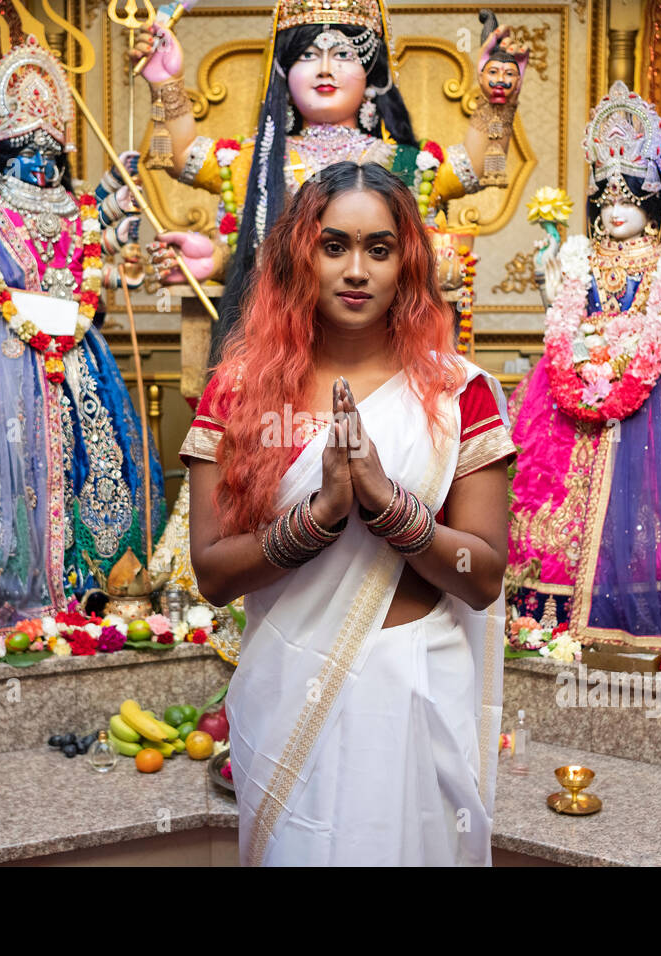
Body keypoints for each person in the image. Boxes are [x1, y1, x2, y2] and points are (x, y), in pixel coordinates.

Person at [182, 161, 515, 866]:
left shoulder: (463, 395)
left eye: (379, 248)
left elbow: (482, 576)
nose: (356, 269)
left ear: (408, 263)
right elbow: (212, 573)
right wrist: (323, 514)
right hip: (291, 679)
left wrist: (388, 504)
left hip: (414, 683)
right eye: (334, 246)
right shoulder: (239, 393)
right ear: (301, 255)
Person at [0, 37, 166, 631]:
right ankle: (7, 597)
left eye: (53, 149)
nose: (42, 162)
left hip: (79, 354)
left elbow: (101, 251)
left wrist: (120, 217)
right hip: (6, 349)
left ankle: (96, 590)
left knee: (98, 463)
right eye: (27, 149)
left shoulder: (77, 207)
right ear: (1, 154)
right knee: (3, 472)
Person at [132, 0, 528, 346]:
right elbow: (182, 157)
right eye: (306, 55)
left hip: (386, 351)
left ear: (372, 75)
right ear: (284, 74)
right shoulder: (250, 160)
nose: (324, 69)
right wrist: (166, 81)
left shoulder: (408, 165)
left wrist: (498, 96)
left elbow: (476, 168)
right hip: (276, 348)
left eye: (343, 55)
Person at [505, 81, 661, 651]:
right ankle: (546, 613)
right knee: (556, 495)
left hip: (655, 386)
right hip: (575, 381)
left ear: (655, 203)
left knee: (646, 509)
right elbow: (563, 317)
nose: (614, 211)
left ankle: (639, 607)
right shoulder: (582, 254)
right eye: (605, 200)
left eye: (628, 198)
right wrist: (547, 283)